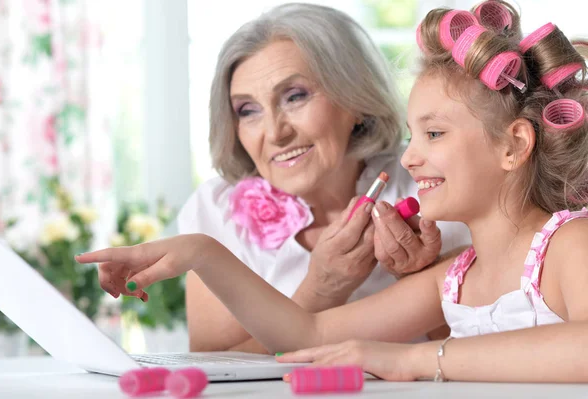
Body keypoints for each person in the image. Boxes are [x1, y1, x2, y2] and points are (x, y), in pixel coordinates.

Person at [77, 0, 588, 382]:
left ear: (514, 145)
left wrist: (410, 359)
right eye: (413, 136)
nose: (409, 157)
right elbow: (309, 335)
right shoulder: (452, 279)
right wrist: (201, 252)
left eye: (433, 134)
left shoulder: (570, 243)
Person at [173, 3, 469, 352]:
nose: (274, 133)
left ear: (355, 98)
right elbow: (213, 371)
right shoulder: (216, 211)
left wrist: (417, 276)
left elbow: (482, 352)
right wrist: (321, 289)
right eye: (247, 110)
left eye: (295, 96)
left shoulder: (431, 180)